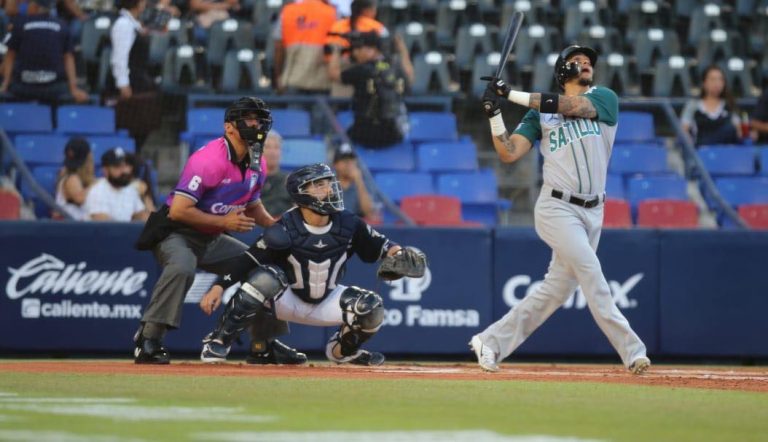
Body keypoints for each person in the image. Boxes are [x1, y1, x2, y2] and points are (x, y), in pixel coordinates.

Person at [470, 45, 651, 375]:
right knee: (591, 272)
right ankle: (632, 350)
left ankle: (490, 341)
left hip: (593, 210)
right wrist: (495, 115)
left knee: (554, 292)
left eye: (588, 62)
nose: (585, 65)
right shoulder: (539, 114)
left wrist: (509, 93)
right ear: (561, 70)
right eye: (577, 61)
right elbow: (509, 152)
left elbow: (571, 105)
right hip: (556, 207)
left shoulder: (604, 98)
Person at [133, 96, 304, 365]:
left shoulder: (257, 160)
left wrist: (275, 226)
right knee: (182, 267)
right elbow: (179, 210)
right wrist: (225, 224)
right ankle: (149, 339)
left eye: (258, 118)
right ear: (229, 127)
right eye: (248, 118)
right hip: (177, 231)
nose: (255, 123)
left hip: (212, 236)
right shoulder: (208, 159)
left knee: (263, 270)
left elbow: (252, 203)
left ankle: (263, 344)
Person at [197, 163, 420, 366]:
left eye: (329, 184)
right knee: (266, 277)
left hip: (327, 299)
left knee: (372, 306)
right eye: (320, 185)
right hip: (287, 299)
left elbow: (382, 245)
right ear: (301, 193)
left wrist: (399, 252)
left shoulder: (349, 222)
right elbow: (249, 260)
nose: (330, 190)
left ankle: (342, 352)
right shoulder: (286, 225)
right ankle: (218, 341)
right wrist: (219, 286)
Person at [328, 30, 413, 148]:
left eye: (359, 49)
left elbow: (334, 75)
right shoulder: (393, 65)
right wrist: (403, 50)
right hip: (392, 133)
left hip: (364, 132)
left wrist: (336, 51)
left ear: (372, 49)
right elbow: (409, 76)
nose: (355, 53)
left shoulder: (363, 69)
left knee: (333, 143)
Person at [0, 0, 88, 103]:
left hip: (23, 87)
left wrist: (5, 85)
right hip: (53, 89)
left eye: (29, 4)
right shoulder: (63, 26)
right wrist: (74, 89)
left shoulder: (19, 24)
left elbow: (10, 57)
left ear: (35, 7)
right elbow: (69, 58)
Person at [107, 0, 162, 151]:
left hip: (138, 78)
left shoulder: (133, 24)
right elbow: (119, 57)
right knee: (134, 123)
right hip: (130, 83)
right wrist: (123, 84)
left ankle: (134, 153)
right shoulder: (123, 24)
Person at [325, 0, 389, 97]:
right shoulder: (376, 26)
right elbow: (385, 51)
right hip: (366, 71)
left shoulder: (338, 25)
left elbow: (328, 53)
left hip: (341, 70)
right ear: (367, 10)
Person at [272, 0, 336, 94]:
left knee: (294, 108)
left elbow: (278, 48)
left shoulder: (288, 11)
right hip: (322, 81)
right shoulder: (332, 12)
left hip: (293, 79)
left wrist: (278, 76)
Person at [680, 65, 742, 147]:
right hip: (701, 153)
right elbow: (683, 131)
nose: (717, 83)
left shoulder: (729, 105)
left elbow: (739, 131)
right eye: (713, 79)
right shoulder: (693, 105)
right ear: (704, 83)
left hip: (726, 153)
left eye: (720, 80)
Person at [84, 147, 150, 222]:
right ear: (105, 170)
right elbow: (104, 226)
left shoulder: (130, 189)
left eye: (124, 166)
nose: (123, 171)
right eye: (117, 167)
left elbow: (141, 215)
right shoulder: (97, 191)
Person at [54, 136, 95, 221]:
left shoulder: (83, 179)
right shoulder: (71, 177)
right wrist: (99, 183)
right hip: (69, 228)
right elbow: (80, 198)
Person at [332, 145, 373, 218]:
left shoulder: (364, 182)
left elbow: (369, 213)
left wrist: (359, 180)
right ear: (335, 165)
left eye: (351, 159)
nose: (348, 163)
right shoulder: (329, 183)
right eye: (344, 160)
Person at [260, 130, 293, 216]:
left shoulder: (291, 180)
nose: (272, 152)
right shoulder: (248, 180)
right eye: (267, 147)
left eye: (276, 147)